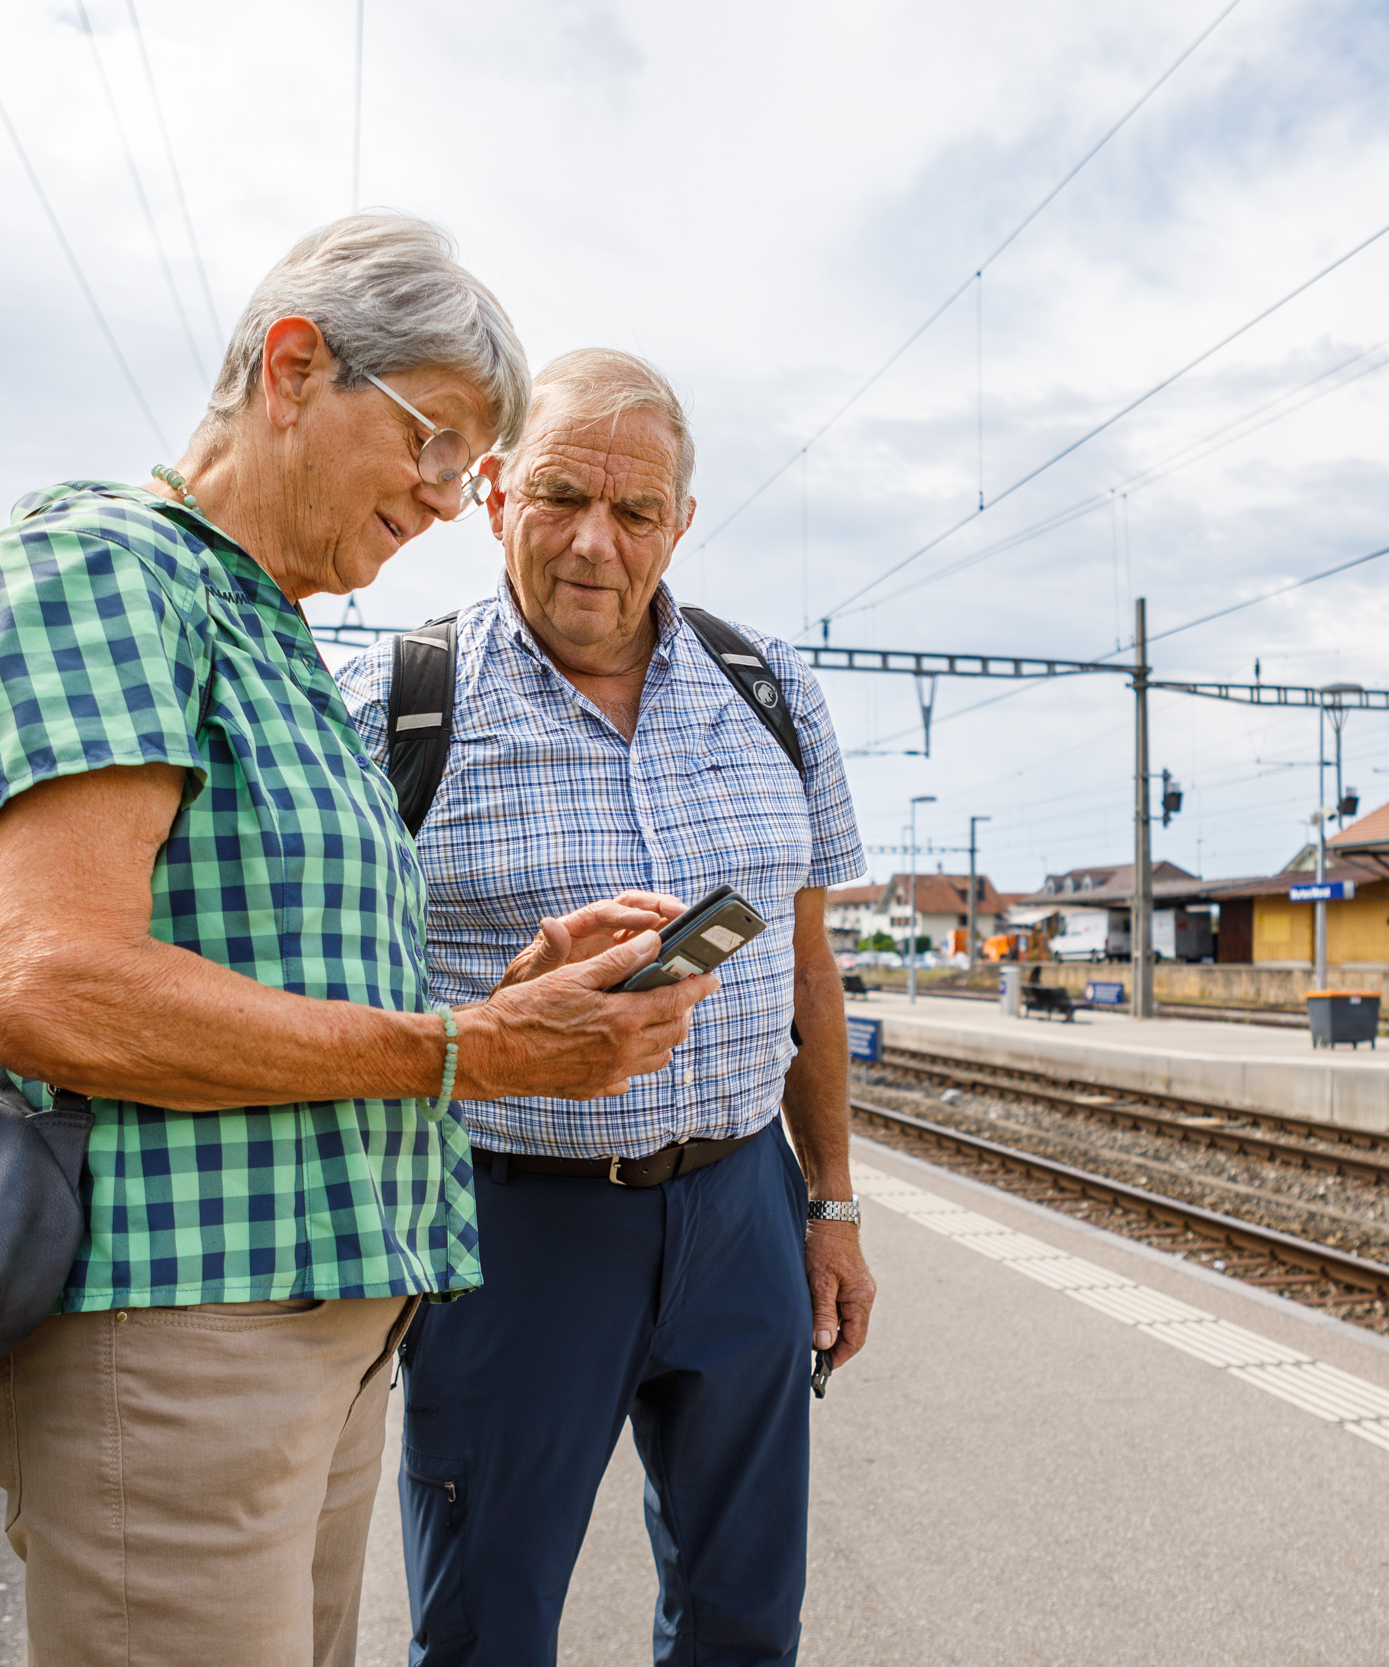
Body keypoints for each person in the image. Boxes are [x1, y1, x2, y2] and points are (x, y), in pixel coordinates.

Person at [0, 216, 717, 1667]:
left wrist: (510, 1001)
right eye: (436, 442)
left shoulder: (262, 624)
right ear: (291, 368)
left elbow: (278, 971)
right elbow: (59, 991)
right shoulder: (111, 574)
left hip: (313, 1326)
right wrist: (466, 1048)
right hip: (184, 1337)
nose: (455, 499)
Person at [335, 349, 875, 1666]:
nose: (594, 543)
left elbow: (807, 969)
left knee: (746, 1617)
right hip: (511, 1223)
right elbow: (326, 995)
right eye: (562, 496)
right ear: (492, 490)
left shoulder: (773, 691)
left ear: (680, 524)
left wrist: (832, 1202)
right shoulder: (400, 706)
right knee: (484, 1625)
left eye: (636, 513)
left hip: (740, 1207)